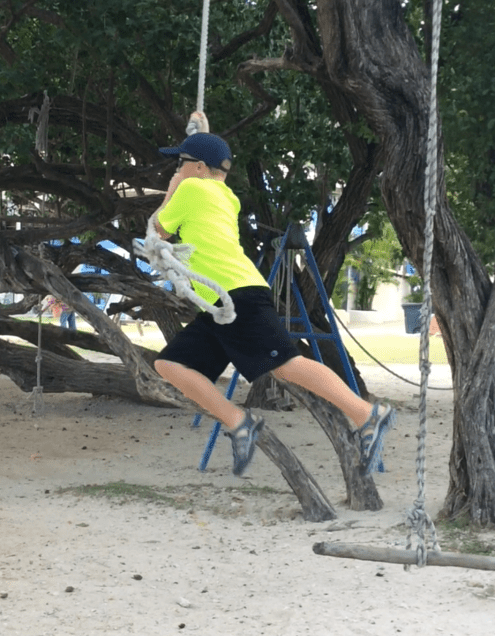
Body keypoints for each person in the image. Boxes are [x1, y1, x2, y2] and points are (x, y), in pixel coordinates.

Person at [152, 126, 395, 476]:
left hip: (236, 295)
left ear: (200, 167)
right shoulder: (226, 196)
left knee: (287, 364)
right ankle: (239, 422)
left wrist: (172, 189)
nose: (177, 168)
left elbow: (159, 230)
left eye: (181, 162)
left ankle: (366, 413)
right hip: (220, 304)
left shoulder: (190, 188)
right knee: (170, 364)